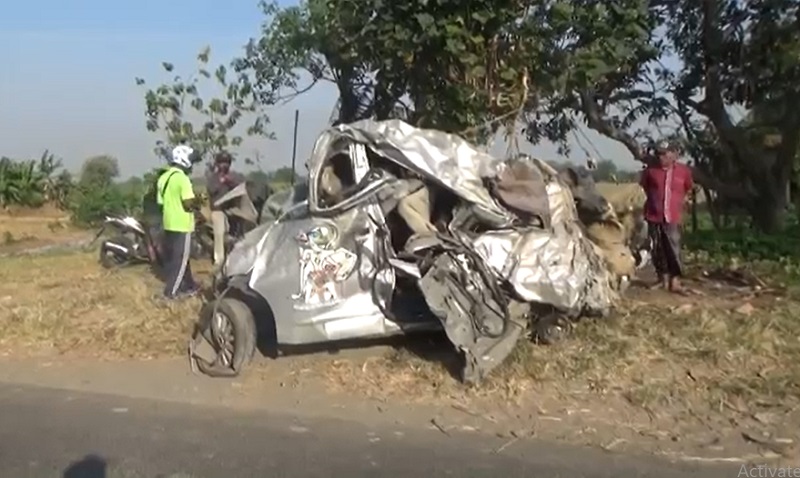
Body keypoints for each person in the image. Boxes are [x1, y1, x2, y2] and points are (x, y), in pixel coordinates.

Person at [639, 139, 694, 294]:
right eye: (658, 154)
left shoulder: (683, 171)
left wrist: (685, 203)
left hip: (673, 216)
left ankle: (675, 281)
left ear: (674, 154)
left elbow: (689, 188)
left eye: (664, 154)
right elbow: (644, 188)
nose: (661, 157)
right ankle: (662, 279)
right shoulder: (650, 171)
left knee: (673, 249)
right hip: (653, 215)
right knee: (657, 248)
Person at [156, 145, 201, 299]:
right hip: (182, 224)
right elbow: (188, 203)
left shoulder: (163, 178)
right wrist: (198, 202)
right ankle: (171, 293)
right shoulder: (182, 178)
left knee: (180, 257)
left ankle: (190, 286)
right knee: (180, 261)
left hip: (168, 224)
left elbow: (161, 202)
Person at [206, 151, 245, 267]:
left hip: (232, 209)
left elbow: (242, 187)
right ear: (217, 164)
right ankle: (219, 259)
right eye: (222, 163)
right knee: (219, 231)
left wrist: (230, 182)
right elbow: (211, 191)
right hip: (218, 210)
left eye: (226, 162)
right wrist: (221, 182)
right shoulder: (213, 178)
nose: (224, 165)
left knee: (243, 226)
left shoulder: (235, 177)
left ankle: (237, 255)